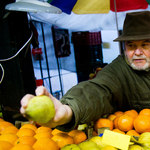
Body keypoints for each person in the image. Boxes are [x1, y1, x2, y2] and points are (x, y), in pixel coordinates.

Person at [20, 11, 150, 132]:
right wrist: (68, 109)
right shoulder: (120, 69)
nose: (137, 53)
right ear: (124, 47)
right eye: (131, 45)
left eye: (145, 45)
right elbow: (95, 90)